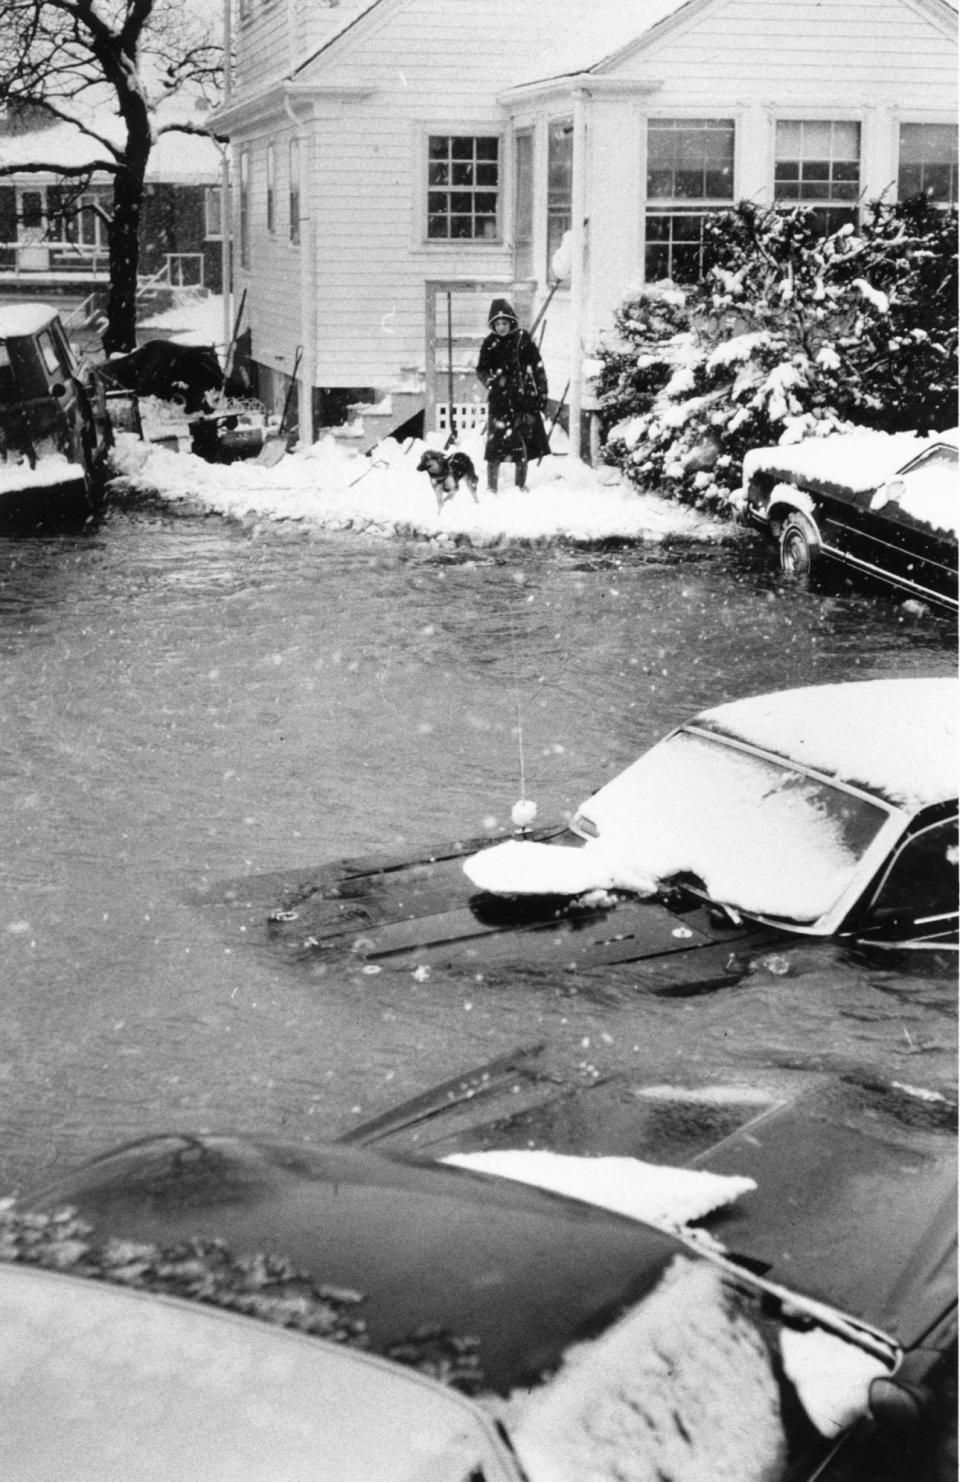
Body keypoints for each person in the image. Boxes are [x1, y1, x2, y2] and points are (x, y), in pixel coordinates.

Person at [476, 298, 550, 492]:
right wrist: (490, 382)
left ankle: (520, 486)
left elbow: (538, 367)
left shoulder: (522, 339)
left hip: (522, 399)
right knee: (495, 446)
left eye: (505, 323)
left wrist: (542, 392)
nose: (501, 327)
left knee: (521, 444)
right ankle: (492, 488)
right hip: (499, 401)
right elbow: (481, 369)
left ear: (511, 322)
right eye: (498, 323)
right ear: (493, 325)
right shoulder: (490, 343)